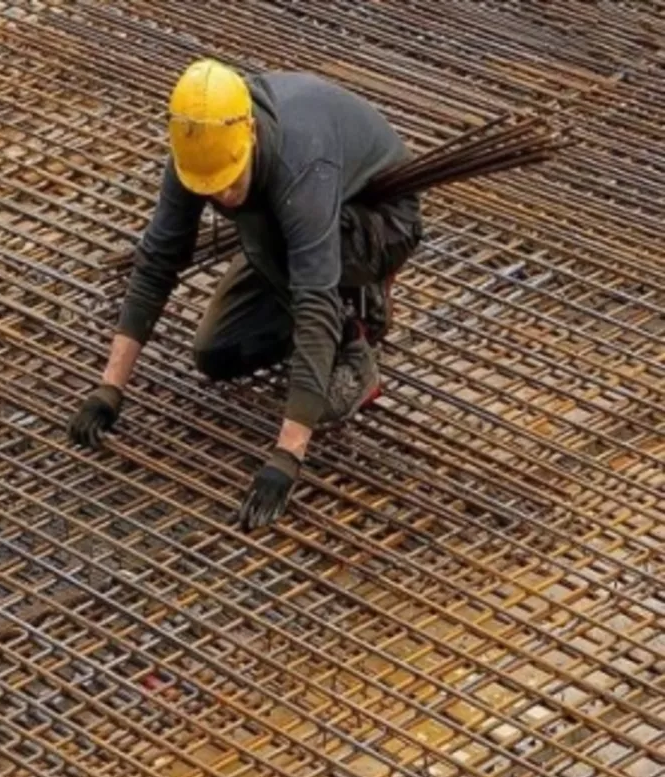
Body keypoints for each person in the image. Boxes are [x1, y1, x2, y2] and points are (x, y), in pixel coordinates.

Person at [67, 59, 424, 530]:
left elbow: (313, 299)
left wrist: (287, 456)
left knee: (266, 234)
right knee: (217, 353)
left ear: (250, 134)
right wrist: (109, 388)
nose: (224, 196)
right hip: (286, 228)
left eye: (232, 181)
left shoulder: (301, 162)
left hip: (378, 221)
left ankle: (355, 337)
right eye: (213, 189)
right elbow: (157, 259)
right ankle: (309, 286)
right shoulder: (198, 148)